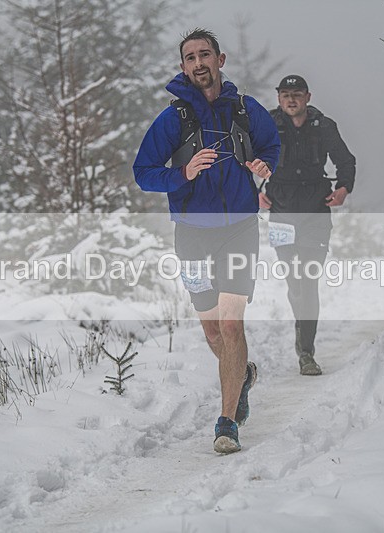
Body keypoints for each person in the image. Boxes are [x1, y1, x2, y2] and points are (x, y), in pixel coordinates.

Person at [133, 29, 280, 454]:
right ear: (183, 67)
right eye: (190, 57)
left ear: (220, 59)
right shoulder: (173, 119)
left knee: (232, 324)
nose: (198, 63)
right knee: (214, 332)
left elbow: (272, 146)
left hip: (239, 230)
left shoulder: (246, 110)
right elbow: (143, 172)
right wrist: (183, 173)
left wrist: (264, 164)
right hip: (192, 235)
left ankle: (227, 421)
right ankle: (242, 376)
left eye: (205, 55)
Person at [259, 75, 356, 376]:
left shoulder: (324, 126)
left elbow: (346, 162)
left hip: (316, 211)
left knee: (308, 280)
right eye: (285, 94)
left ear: (308, 97)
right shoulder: (267, 125)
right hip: (282, 212)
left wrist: (343, 190)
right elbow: (244, 160)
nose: (291, 100)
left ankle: (306, 353)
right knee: (295, 282)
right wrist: (255, 193)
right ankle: (302, 329)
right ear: (278, 98)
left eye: (297, 94)